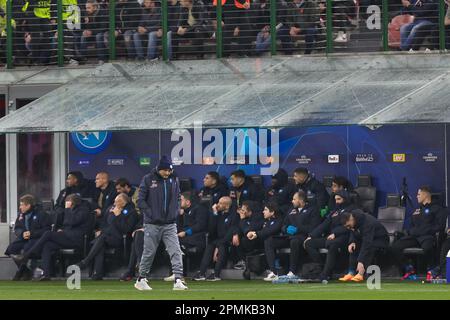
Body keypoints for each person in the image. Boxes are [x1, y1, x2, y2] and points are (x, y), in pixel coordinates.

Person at [134, 156, 188, 291]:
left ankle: (178, 279)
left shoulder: (174, 179)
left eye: (169, 170)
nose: (167, 173)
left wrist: (174, 212)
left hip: (170, 223)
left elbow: (177, 198)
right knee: (149, 252)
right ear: (159, 169)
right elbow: (140, 200)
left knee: (176, 251)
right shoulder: (148, 179)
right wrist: (150, 213)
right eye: (165, 170)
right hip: (152, 224)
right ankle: (141, 279)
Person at [11, 194, 92, 280]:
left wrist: (67, 209)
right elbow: (66, 224)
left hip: (76, 240)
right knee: (47, 245)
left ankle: (26, 256)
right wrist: (62, 230)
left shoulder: (83, 211)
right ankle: (47, 275)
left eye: (67, 202)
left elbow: (73, 222)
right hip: (67, 237)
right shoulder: (70, 211)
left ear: (72, 202)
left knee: (48, 234)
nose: (66, 204)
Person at [76, 193, 138, 280]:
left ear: (124, 202)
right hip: (107, 236)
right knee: (100, 244)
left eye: (117, 201)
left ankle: (85, 262)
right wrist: (100, 230)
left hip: (120, 239)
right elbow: (104, 222)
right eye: (115, 201)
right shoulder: (111, 209)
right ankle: (97, 274)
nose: (115, 203)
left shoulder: (131, 212)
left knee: (102, 239)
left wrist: (118, 215)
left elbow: (126, 229)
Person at [263, 191, 322, 281]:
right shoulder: (291, 210)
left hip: (304, 237)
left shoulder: (313, 209)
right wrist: (286, 228)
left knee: (294, 241)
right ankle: (274, 272)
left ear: (301, 200)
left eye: (294, 199)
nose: (292, 201)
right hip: (288, 236)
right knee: (269, 241)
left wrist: (298, 229)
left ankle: (292, 272)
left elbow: (314, 227)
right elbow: (283, 224)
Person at [391, 186, 446, 279]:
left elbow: (440, 226)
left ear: (426, 194)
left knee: (428, 247)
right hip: (415, 237)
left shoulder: (437, 209)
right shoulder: (418, 210)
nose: (417, 196)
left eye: (419, 194)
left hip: (427, 236)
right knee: (394, 247)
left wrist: (425, 230)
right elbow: (412, 226)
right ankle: (409, 268)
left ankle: (432, 270)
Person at [304, 190, 355, 281]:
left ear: (345, 199)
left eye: (339, 199)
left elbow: (350, 226)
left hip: (346, 237)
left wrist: (335, 233)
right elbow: (324, 225)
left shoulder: (352, 209)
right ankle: (324, 267)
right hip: (331, 237)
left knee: (332, 244)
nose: (337, 202)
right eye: (335, 199)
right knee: (309, 243)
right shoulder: (335, 211)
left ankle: (325, 274)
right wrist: (311, 236)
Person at [5, 194, 51, 281]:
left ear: (28, 205)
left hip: (36, 239)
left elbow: (46, 230)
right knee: (11, 248)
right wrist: (22, 234)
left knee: (27, 248)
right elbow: (17, 228)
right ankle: (26, 271)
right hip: (23, 238)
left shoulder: (42, 214)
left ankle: (21, 271)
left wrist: (32, 233)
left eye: (22, 205)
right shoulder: (21, 215)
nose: (20, 207)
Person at [193, 196, 238, 281]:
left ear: (227, 206)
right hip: (218, 240)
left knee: (221, 246)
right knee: (210, 245)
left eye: (221, 203)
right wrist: (214, 213)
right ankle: (202, 273)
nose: (218, 205)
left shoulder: (234, 216)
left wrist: (218, 246)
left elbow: (230, 233)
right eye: (218, 202)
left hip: (227, 241)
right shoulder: (218, 214)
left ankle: (216, 274)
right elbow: (212, 229)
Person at [339, 210, 389, 282]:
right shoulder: (354, 221)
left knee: (369, 247)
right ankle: (351, 272)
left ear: (351, 219)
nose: (348, 228)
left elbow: (367, 243)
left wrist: (361, 261)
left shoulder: (368, 223)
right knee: (353, 247)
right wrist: (352, 242)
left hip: (381, 240)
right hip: (369, 239)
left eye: (348, 226)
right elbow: (353, 232)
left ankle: (361, 273)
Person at [232, 200, 265, 270]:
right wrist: (236, 234)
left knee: (244, 240)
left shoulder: (258, 217)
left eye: (243, 210)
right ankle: (243, 261)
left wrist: (242, 220)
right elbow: (236, 227)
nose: (241, 211)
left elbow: (249, 230)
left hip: (257, 238)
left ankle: (247, 262)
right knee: (234, 239)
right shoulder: (243, 217)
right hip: (247, 239)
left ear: (249, 211)